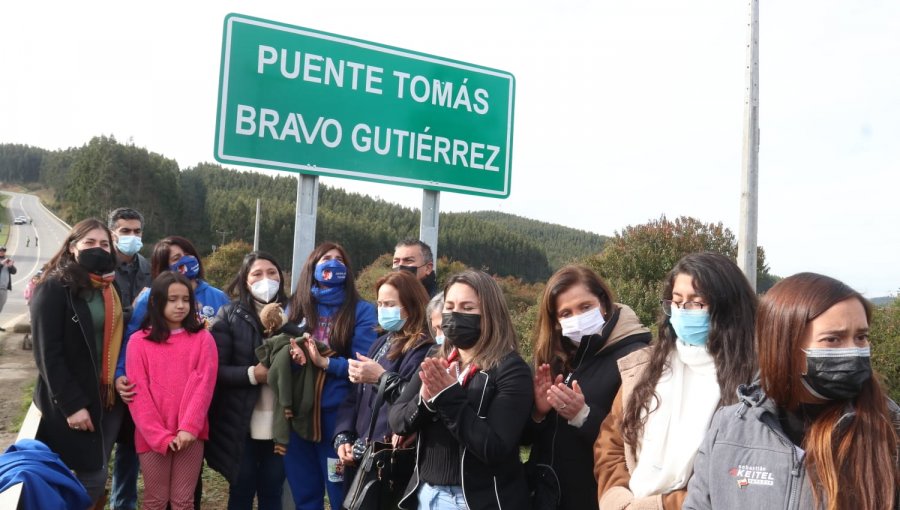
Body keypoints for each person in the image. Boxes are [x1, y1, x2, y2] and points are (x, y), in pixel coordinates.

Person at [683, 273, 900, 510]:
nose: (854, 351)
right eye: (833, 339)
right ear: (784, 346)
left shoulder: (889, 429)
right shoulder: (730, 427)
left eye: (861, 337)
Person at [593, 252, 758, 510]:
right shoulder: (646, 367)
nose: (682, 312)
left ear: (728, 308)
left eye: (696, 303)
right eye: (677, 301)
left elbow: (744, 473)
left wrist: (662, 505)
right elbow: (611, 439)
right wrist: (616, 494)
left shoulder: (753, 382)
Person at [388, 270, 534, 510]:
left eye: (468, 308)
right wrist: (424, 401)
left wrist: (447, 397)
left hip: (472, 500)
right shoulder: (437, 356)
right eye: (450, 306)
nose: (455, 315)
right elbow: (397, 419)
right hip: (425, 493)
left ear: (489, 313)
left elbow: (495, 448)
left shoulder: (510, 369)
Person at [115, 235, 228, 509]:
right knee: (154, 499)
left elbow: (204, 385)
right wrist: (158, 435)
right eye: (172, 299)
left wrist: (189, 428)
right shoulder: (139, 342)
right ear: (156, 302)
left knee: (183, 500)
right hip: (150, 436)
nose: (180, 305)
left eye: (185, 300)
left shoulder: (202, 339)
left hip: (191, 434)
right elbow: (138, 393)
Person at [526, 265, 651, 510]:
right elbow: (525, 440)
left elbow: (637, 443)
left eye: (585, 307)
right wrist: (538, 413)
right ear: (555, 321)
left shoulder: (635, 359)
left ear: (603, 304)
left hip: (596, 498)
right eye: (566, 313)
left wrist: (583, 416)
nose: (577, 318)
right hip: (546, 496)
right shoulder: (554, 359)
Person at [30, 218, 125, 508]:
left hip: (103, 396)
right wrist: (72, 405)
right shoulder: (53, 288)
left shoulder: (107, 287)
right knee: (88, 475)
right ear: (73, 248)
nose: (98, 249)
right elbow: (48, 354)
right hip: (71, 399)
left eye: (104, 244)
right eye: (89, 243)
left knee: (94, 471)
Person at [282, 241, 377, 509]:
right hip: (298, 417)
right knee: (305, 495)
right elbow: (278, 352)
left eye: (340, 259)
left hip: (337, 421)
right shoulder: (296, 307)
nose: (333, 263)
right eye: (326, 258)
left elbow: (363, 366)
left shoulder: (362, 310)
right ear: (313, 266)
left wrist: (325, 363)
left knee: (340, 496)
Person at [334, 270, 434, 494]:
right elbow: (355, 396)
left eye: (390, 304)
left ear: (411, 305)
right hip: (361, 453)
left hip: (388, 458)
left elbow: (412, 402)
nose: (382, 310)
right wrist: (344, 436)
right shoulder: (381, 343)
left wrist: (380, 377)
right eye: (379, 303)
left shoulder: (423, 348)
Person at [207, 251, 290, 509]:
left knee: (272, 489)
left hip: (282, 423)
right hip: (240, 421)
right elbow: (217, 370)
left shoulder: (294, 315)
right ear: (245, 281)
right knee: (241, 489)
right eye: (257, 274)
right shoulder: (229, 315)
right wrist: (254, 374)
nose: (266, 279)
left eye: (272, 273)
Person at [108, 207, 152, 510]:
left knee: (129, 449)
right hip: (105, 365)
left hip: (138, 369)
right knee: (96, 455)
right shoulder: (100, 266)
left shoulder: (149, 268)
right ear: (113, 234)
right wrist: (132, 311)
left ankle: (123, 504)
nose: (132, 237)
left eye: (137, 231)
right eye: (125, 231)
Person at [0, 246, 17, 331]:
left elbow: (14, 272)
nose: (2, 252)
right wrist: (2, 264)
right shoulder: (2, 262)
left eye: (3, 251)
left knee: (0, 307)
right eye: (0, 251)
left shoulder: (6, 260)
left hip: (4, 288)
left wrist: (11, 266)